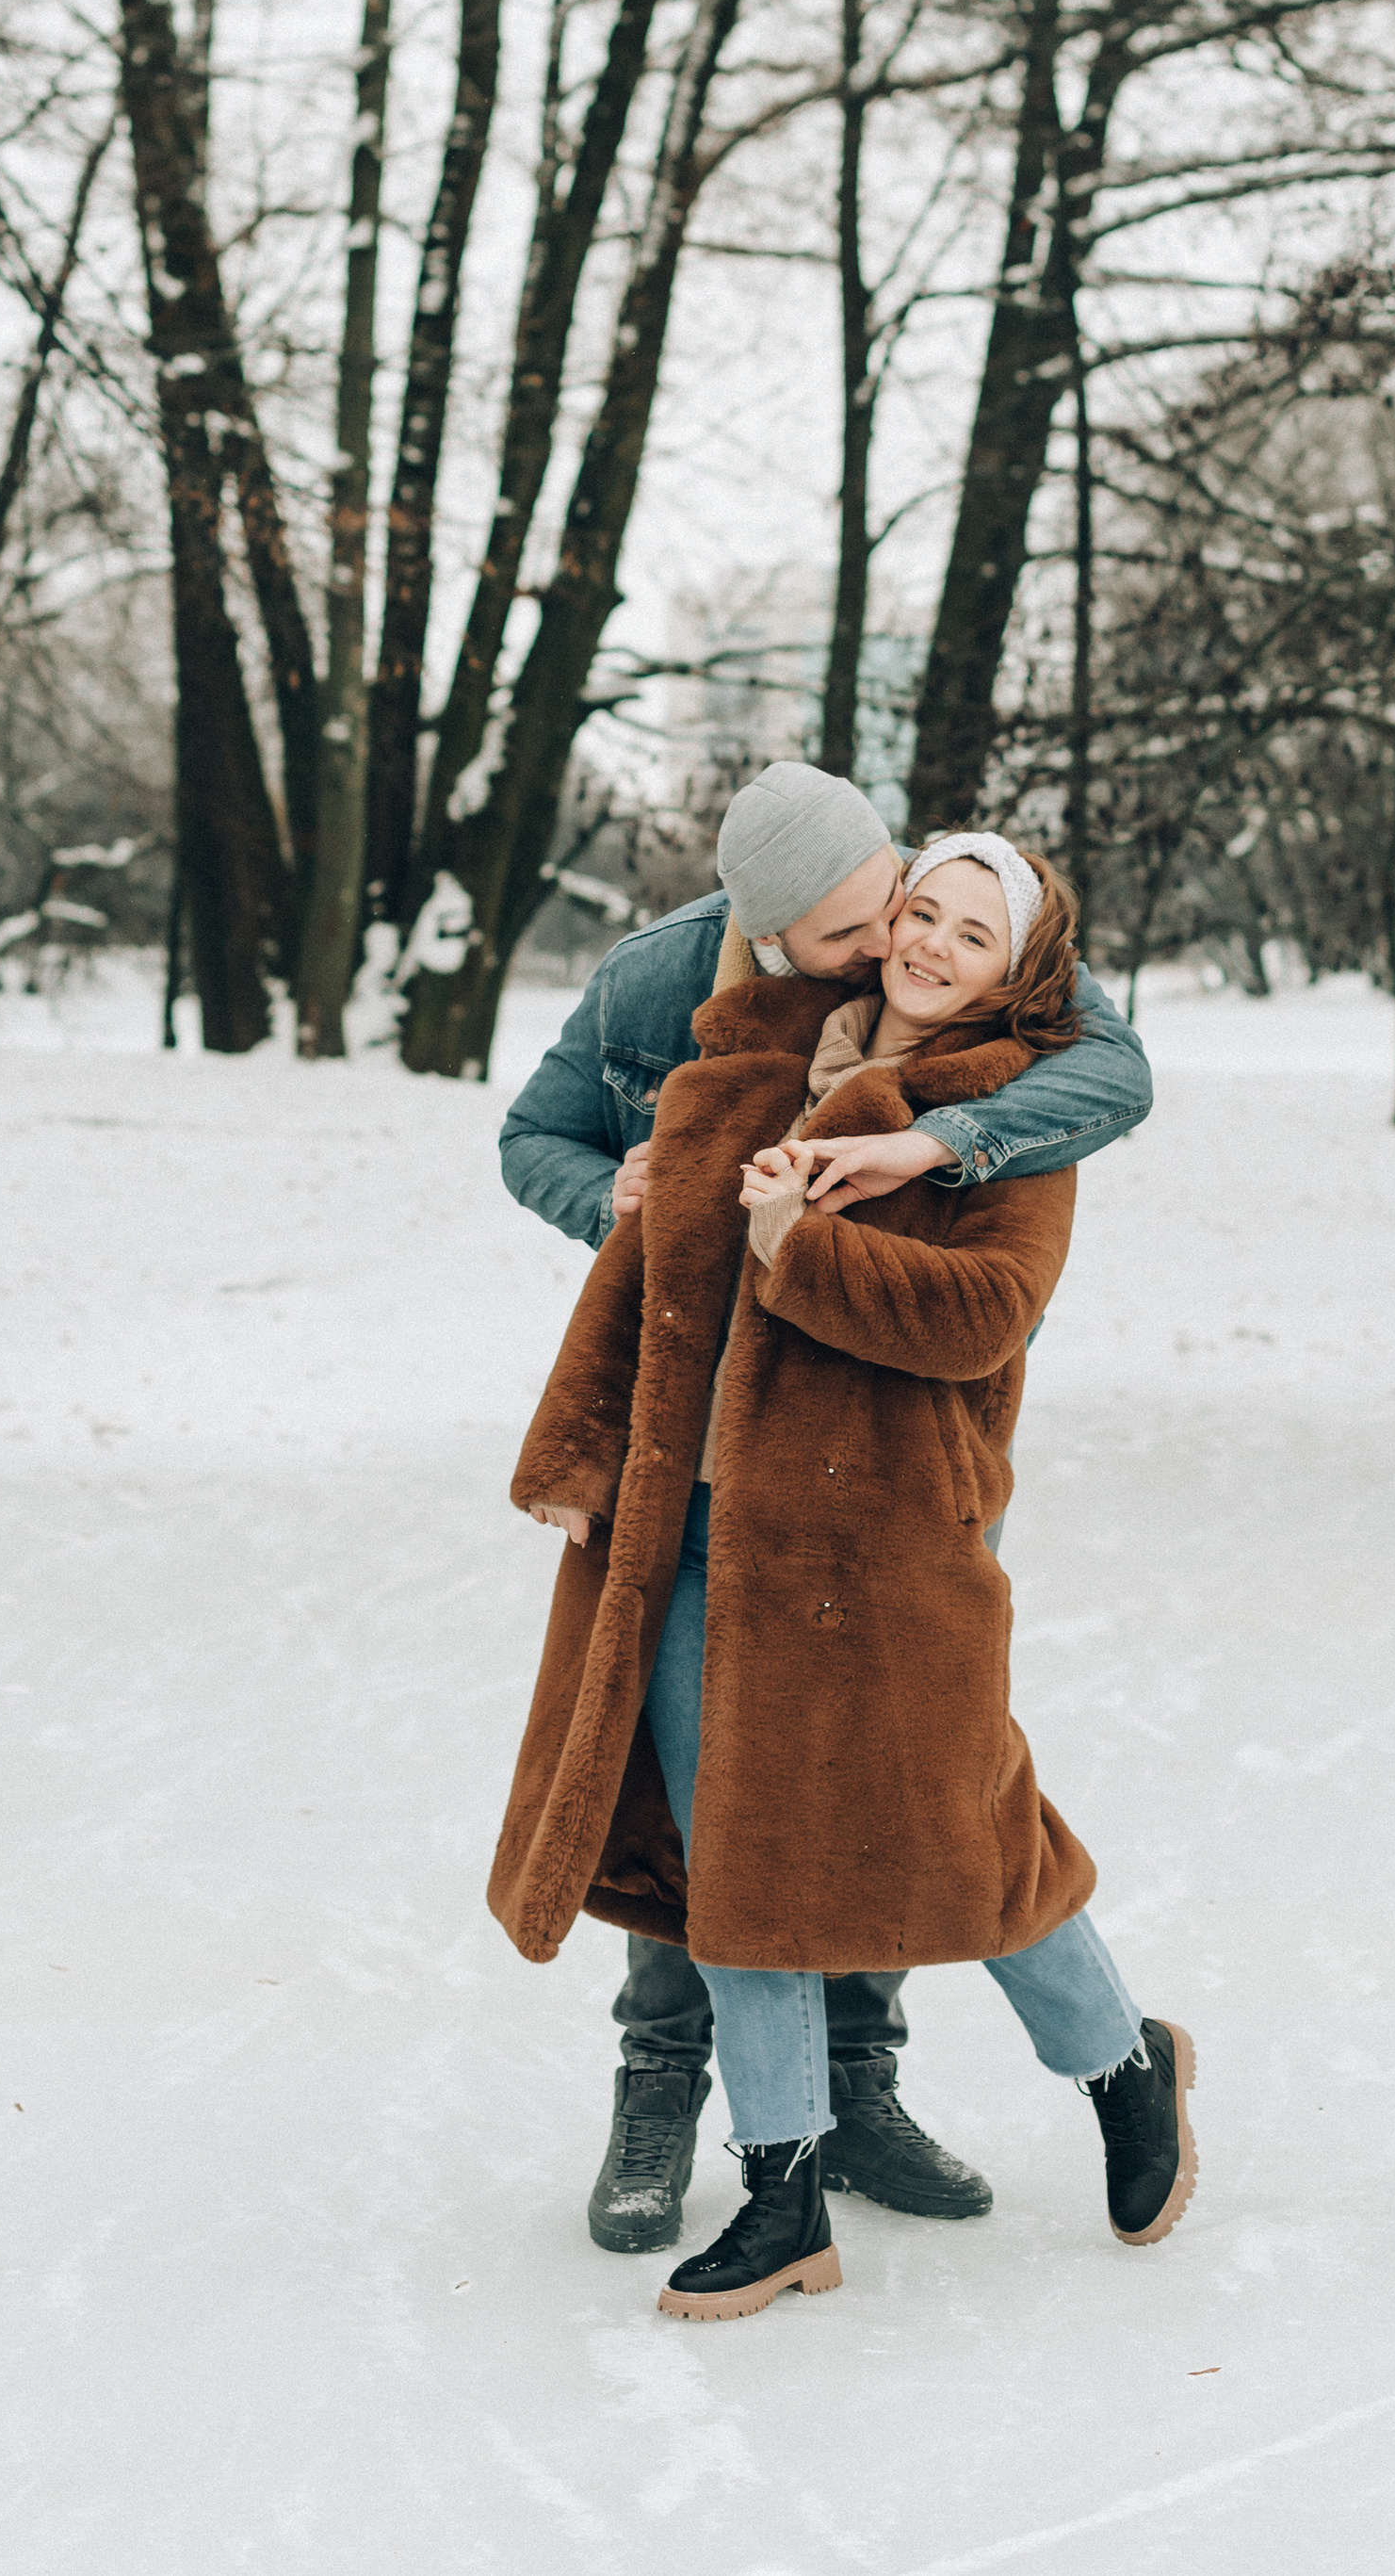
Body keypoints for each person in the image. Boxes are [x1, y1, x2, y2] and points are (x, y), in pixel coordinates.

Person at [491, 799, 1192, 2318]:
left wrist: (806, 1249)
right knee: (731, 1847)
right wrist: (571, 1455)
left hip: (892, 1533)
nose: (918, 941)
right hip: (699, 1526)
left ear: (1020, 966)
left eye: (960, 925)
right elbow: (640, 1276)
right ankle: (784, 2183)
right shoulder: (736, 1047)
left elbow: (978, 1319)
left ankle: (1125, 2058)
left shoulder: (1017, 1103)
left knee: (964, 1820)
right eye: (914, 913)